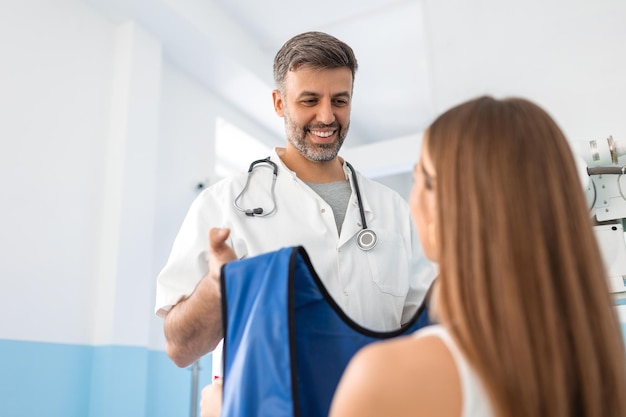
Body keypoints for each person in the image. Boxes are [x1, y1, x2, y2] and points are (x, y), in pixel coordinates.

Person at [154, 30, 437, 410]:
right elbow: (180, 349)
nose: (326, 116)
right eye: (309, 100)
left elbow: (422, 331)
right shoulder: (225, 205)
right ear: (278, 102)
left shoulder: (393, 210)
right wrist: (217, 286)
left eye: (340, 100)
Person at [328, 96, 626, 417]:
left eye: (422, 178)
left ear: (454, 211)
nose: (413, 198)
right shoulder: (603, 362)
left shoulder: (385, 377)